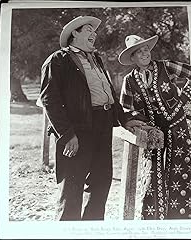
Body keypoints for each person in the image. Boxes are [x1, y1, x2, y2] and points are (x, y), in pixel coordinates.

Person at [39, 16, 144, 221]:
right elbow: (49, 100)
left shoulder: (96, 58)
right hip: (77, 130)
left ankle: (92, 230)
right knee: (72, 187)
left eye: (94, 31)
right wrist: (67, 134)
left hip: (102, 125)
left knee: (101, 183)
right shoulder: (58, 59)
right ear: (74, 34)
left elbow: (109, 94)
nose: (94, 34)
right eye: (88, 30)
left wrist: (124, 119)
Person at [118, 34, 191, 220]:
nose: (144, 54)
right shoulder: (129, 80)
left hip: (177, 127)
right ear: (132, 58)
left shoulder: (165, 66)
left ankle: (181, 216)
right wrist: (143, 124)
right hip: (154, 133)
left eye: (146, 49)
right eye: (139, 51)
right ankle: (155, 218)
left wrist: (181, 100)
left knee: (181, 171)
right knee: (153, 171)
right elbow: (126, 109)